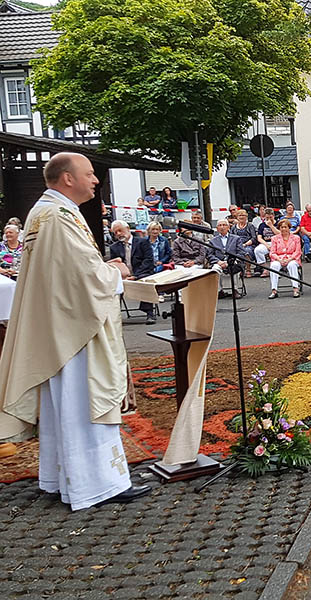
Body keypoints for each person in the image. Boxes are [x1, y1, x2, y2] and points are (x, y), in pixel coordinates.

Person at [0, 152, 149, 510]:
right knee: (85, 401)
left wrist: (102, 267)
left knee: (65, 407)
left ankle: (62, 478)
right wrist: (116, 273)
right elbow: (82, 277)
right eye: (90, 173)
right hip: (76, 329)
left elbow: (68, 268)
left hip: (62, 322)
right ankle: (98, 484)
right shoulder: (57, 215)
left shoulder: (45, 212)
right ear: (67, 178)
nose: (96, 180)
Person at [109, 220, 156, 324]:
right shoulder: (114, 247)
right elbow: (114, 266)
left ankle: (149, 313)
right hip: (123, 275)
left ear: (128, 229)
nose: (118, 234)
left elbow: (148, 261)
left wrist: (135, 276)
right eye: (115, 232)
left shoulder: (143, 242)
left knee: (146, 280)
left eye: (120, 230)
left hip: (141, 272)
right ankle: (114, 315)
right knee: (112, 283)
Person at [268, 217, 302, 298]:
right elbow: (272, 252)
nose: (283, 229)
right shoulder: (274, 238)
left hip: (292, 258)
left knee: (292, 265)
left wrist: (289, 259)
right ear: (279, 228)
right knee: (274, 266)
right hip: (279, 258)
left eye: (285, 227)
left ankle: (295, 289)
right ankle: (274, 290)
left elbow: (298, 252)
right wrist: (279, 259)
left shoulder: (296, 238)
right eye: (281, 227)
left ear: (289, 228)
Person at [207, 219, 244, 283]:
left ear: (228, 227)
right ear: (217, 228)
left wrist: (231, 261)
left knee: (234, 267)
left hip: (233, 261)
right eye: (220, 225)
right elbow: (210, 254)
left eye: (224, 225)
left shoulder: (236, 238)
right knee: (215, 269)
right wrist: (218, 261)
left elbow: (241, 252)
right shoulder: (212, 240)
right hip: (219, 262)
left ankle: (235, 289)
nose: (222, 227)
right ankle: (220, 291)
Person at [254, 207, 277, 275]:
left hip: (277, 243)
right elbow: (259, 238)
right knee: (257, 250)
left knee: (274, 252)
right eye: (267, 218)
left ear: (273, 216)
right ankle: (265, 268)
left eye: (270, 217)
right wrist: (266, 245)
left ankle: (275, 270)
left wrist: (271, 226)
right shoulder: (262, 225)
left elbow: (280, 234)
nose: (269, 219)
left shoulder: (278, 223)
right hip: (266, 243)